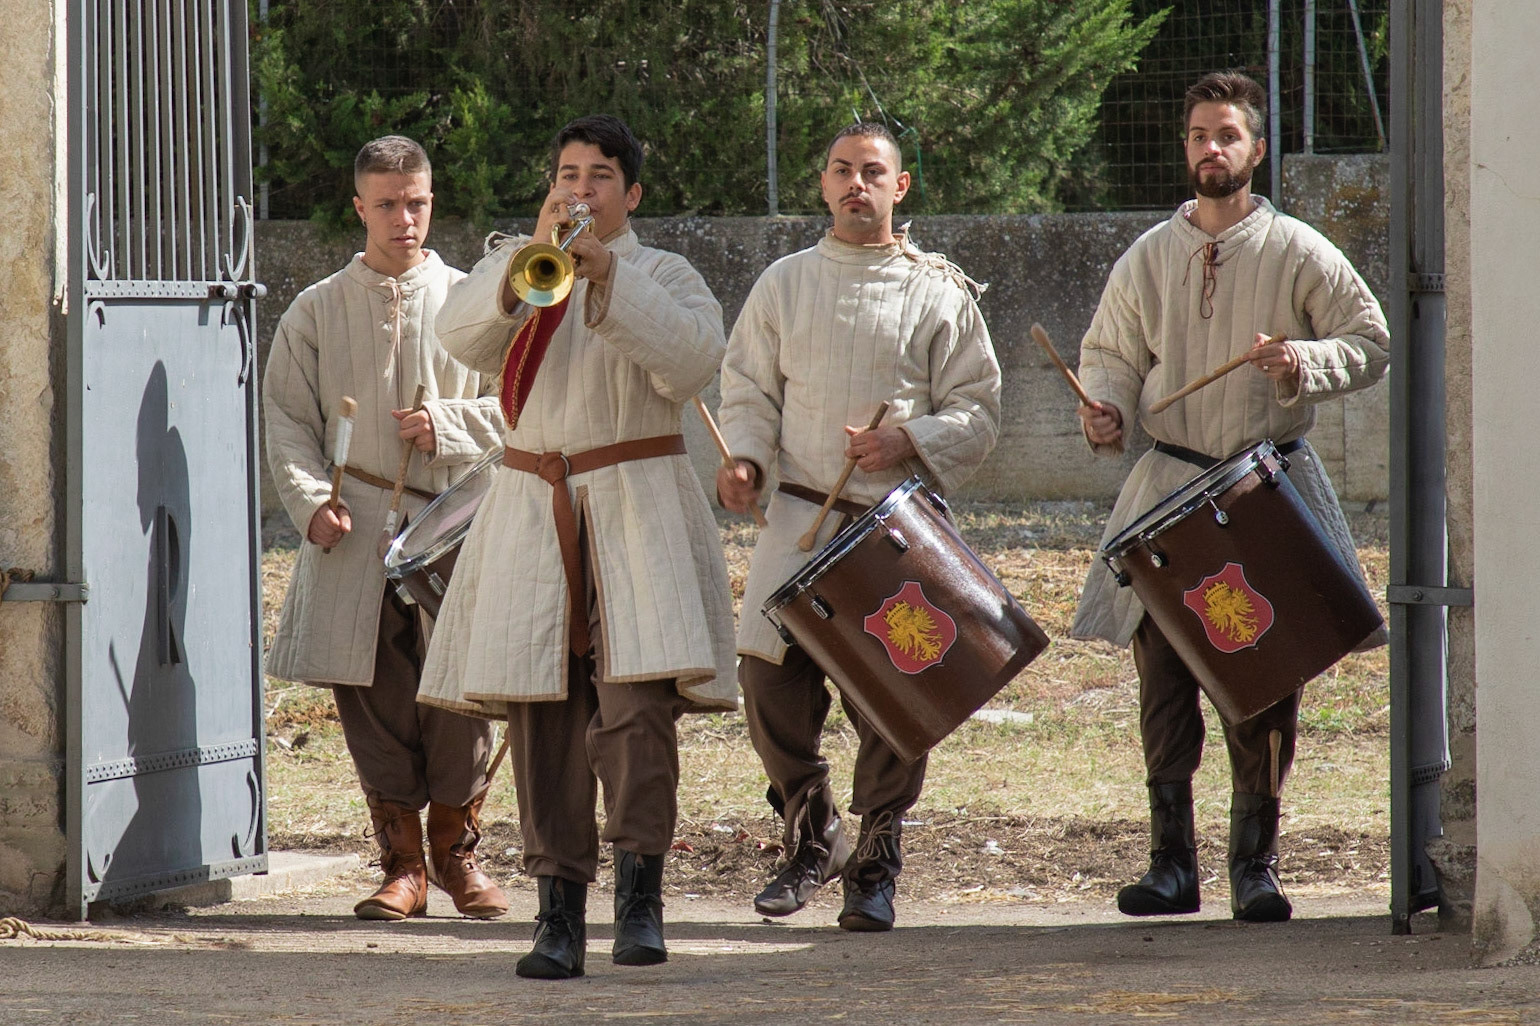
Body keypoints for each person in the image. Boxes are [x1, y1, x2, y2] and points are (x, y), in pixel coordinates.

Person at [416, 114, 737, 980]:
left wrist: (608, 279)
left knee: (637, 714)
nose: (579, 189)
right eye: (567, 173)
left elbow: (690, 362)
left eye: (599, 176)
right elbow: (456, 339)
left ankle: (641, 899)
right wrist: (524, 279)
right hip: (532, 507)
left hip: (637, 509)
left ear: (630, 195)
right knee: (543, 714)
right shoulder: (515, 263)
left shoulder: (667, 273)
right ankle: (556, 914)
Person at [1071, 72, 1390, 923]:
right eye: (1199, 135)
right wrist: (1102, 408)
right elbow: (1110, 353)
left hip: (1263, 486)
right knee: (1165, 670)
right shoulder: (1147, 255)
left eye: (1228, 136)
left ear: (1254, 150)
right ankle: (1170, 865)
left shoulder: (1298, 249)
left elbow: (1370, 340)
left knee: (1264, 667)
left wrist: (1302, 363)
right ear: (1187, 149)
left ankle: (1258, 864)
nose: (1211, 149)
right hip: (1169, 485)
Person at [716, 121, 1002, 932]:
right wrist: (744, 458)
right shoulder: (784, 283)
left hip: (895, 525)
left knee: (893, 698)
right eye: (841, 170)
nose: (856, 184)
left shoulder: (939, 290)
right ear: (822, 183)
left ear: (899, 187)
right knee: (767, 682)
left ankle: (875, 863)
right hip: (800, 514)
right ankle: (813, 837)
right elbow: (746, 389)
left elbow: (980, 411)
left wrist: (908, 439)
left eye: (872, 172)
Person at [264, 136, 508, 922]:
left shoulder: (475, 300)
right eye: (388, 203)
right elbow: (286, 422)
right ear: (359, 208)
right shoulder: (317, 308)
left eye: (418, 202)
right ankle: (402, 865)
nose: (405, 219)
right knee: (369, 690)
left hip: (454, 516)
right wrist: (311, 505)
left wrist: (447, 424)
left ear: (432, 202)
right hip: (354, 515)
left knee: (459, 692)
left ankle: (458, 856)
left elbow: (521, 407)